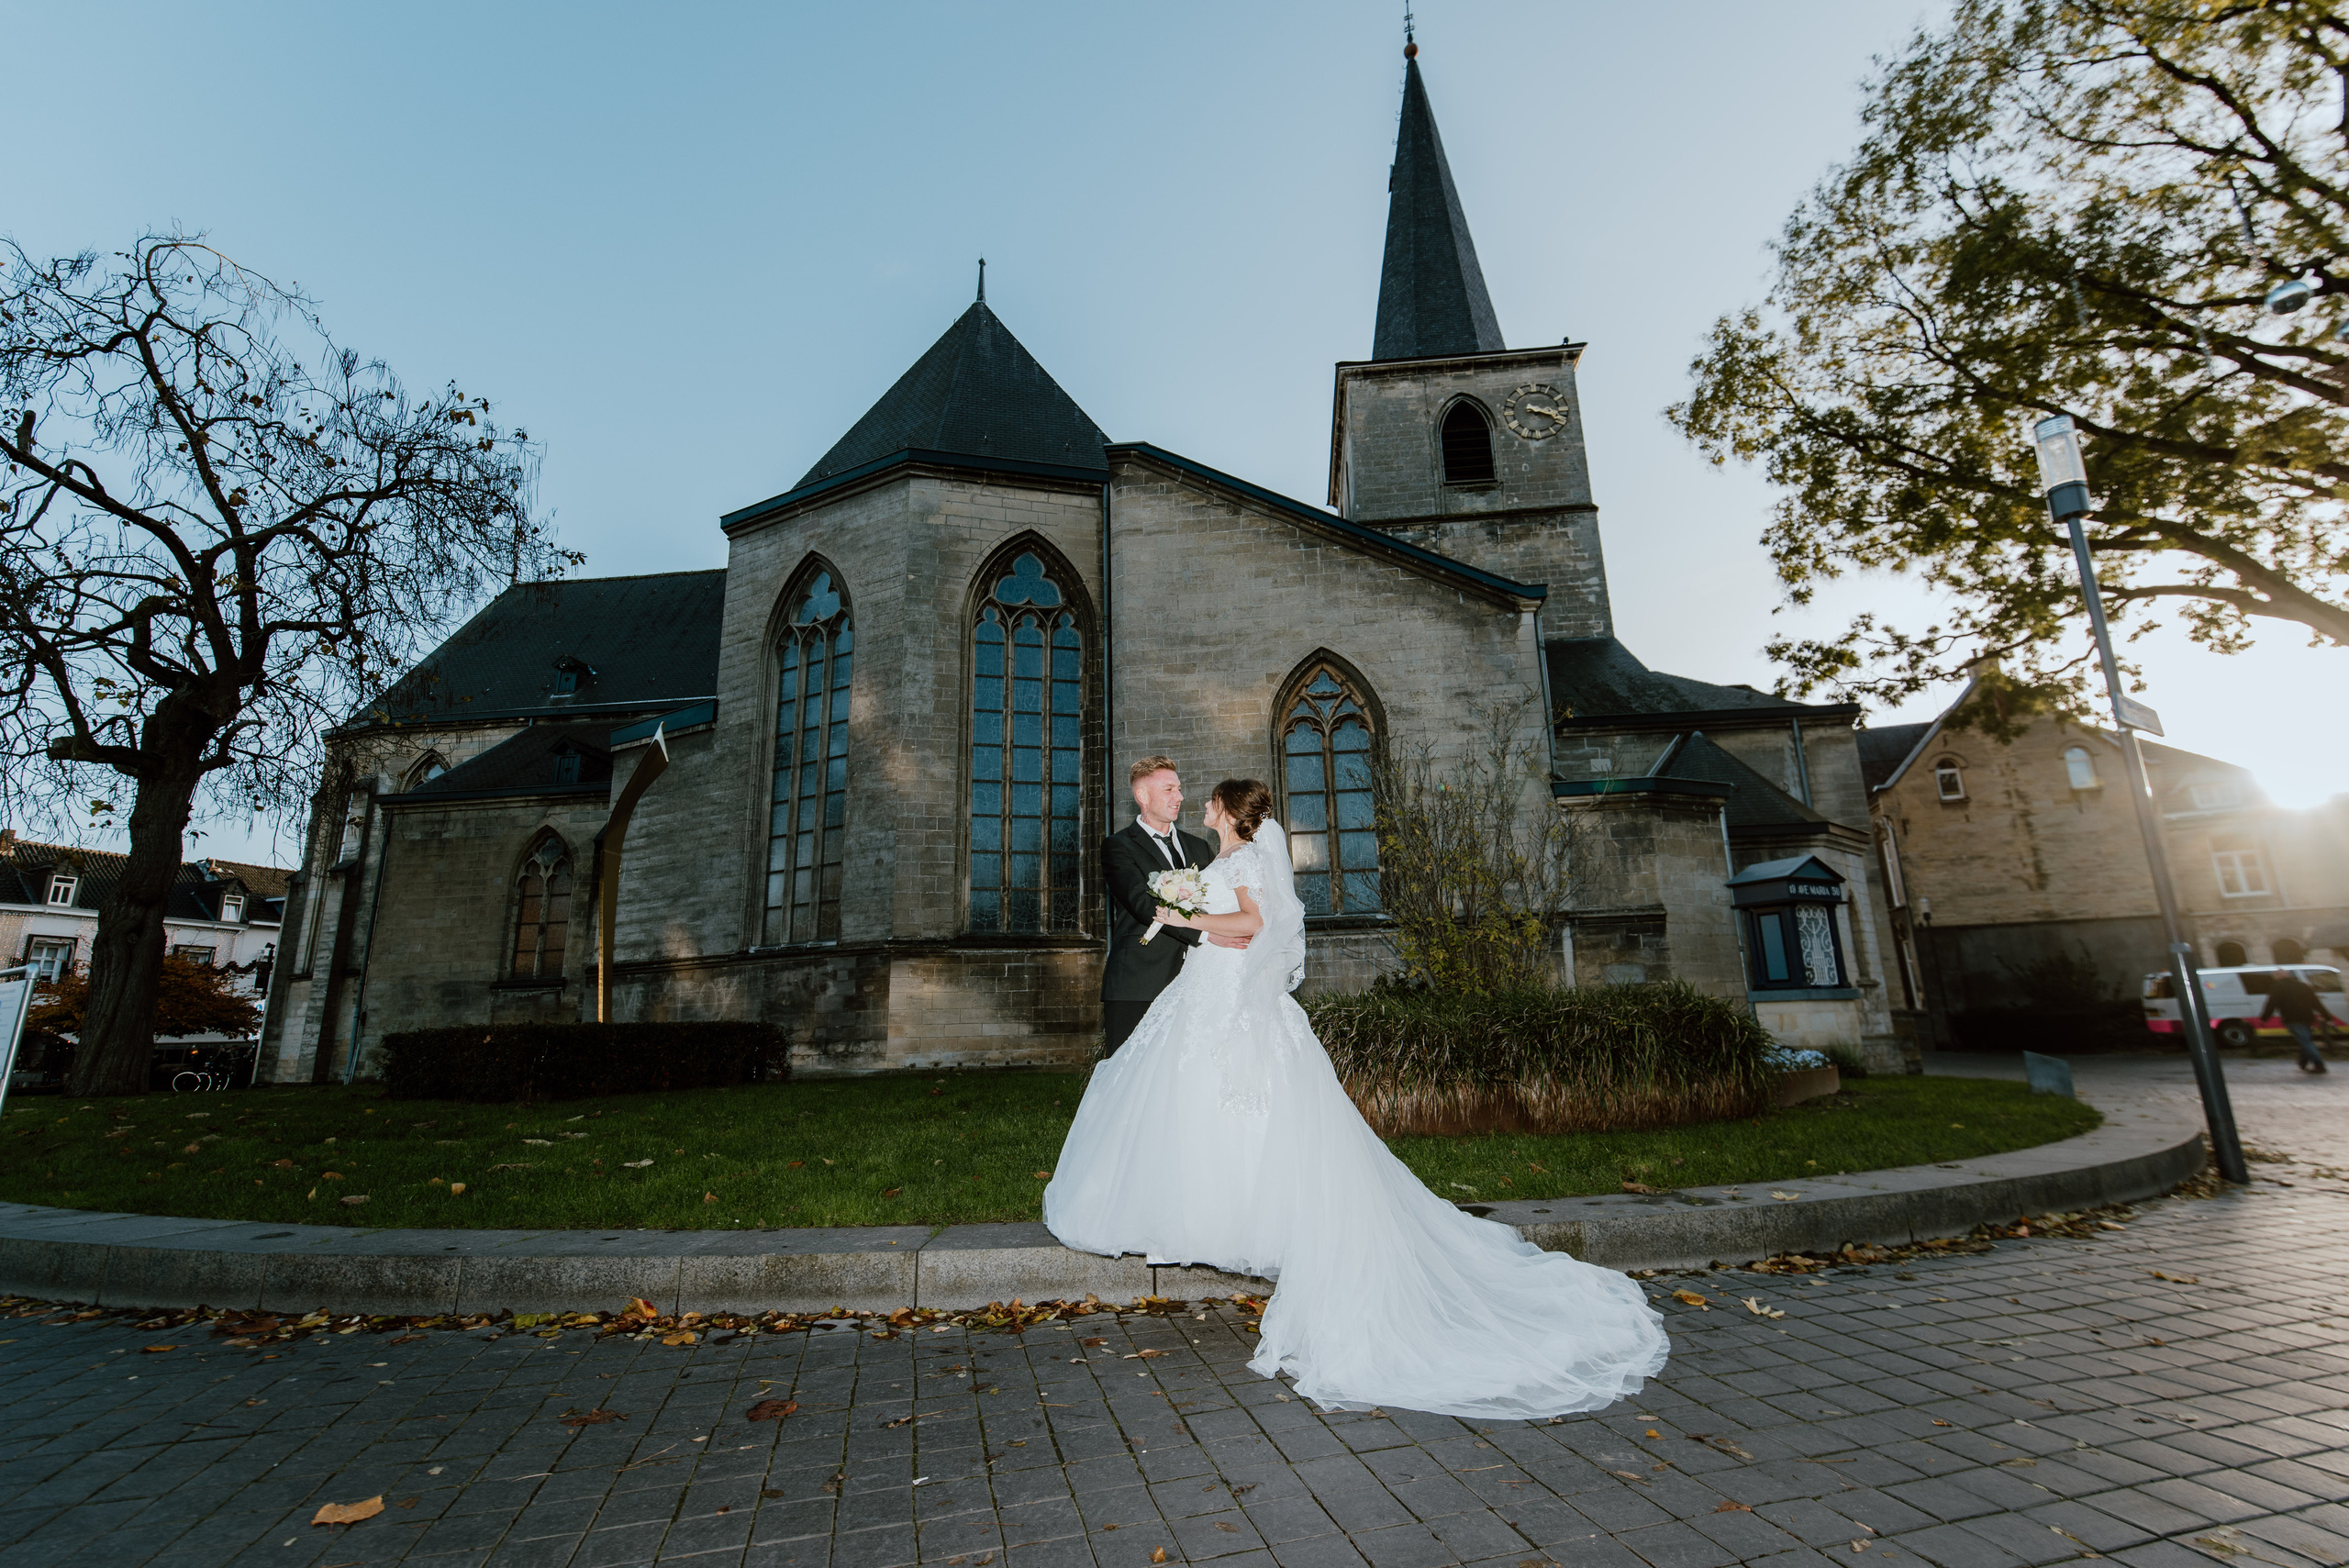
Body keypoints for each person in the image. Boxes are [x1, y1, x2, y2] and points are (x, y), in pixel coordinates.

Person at [1045, 777, 1669, 1419]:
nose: (1201, 807)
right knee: (1189, 1104)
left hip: (1228, 1000)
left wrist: (1187, 916)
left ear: (1228, 814)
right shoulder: (1227, 858)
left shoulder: (1243, 859)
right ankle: (1192, 1214)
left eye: (1209, 802)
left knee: (1244, 1109)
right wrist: (1199, 921)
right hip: (1208, 995)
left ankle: (1253, 1222)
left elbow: (1252, 924)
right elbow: (1237, 931)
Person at [1098, 757, 1241, 1057]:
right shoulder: (1118, 846)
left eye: (1179, 788)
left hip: (1196, 982)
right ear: (1143, 797)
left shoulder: (1199, 847)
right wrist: (1205, 934)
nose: (1180, 797)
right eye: (1169, 790)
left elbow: (1217, 902)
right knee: (1128, 1079)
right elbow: (1141, 903)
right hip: (1138, 983)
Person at [2257, 968, 2338, 1074]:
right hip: (2307, 1017)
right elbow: (2316, 1003)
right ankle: (2302, 1063)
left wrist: (2264, 1018)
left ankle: (2319, 1065)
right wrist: (2327, 1017)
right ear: (2289, 975)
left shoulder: (2277, 987)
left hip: (2291, 1018)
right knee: (2305, 1040)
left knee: (2306, 1042)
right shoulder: (2303, 986)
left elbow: (2271, 1005)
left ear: (2276, 977)